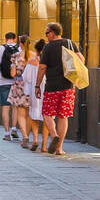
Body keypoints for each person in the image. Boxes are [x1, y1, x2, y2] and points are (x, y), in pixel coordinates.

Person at [34, 22, 84, 157]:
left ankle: (54, 134)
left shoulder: (48, 48)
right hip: (68, 86)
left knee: (47, 113)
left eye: (47, 32)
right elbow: (81, 59)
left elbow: (42, 67)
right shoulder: (70, 43)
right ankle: (59, 148)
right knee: (63, 116)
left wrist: (37, 86)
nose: (46, 35)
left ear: (53, 32)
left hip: (52, 87)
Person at [0, 31, 22, 140]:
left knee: (5, 107)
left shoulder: (0, 49)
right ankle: (14, 128)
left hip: (3, 81)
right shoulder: (20, 49)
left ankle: (7, 133)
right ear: (14, 39)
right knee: (15, 107)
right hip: (16, 81)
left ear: (5, 38)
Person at [19, 39, 44, 151]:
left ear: (37, 50)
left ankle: (35, 140)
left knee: (34, 116)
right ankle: (44, 146)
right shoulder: (49, 62)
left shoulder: (31, 62)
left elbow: (26, 78)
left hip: (35, 91)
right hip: (47, 91)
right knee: (47, 117)